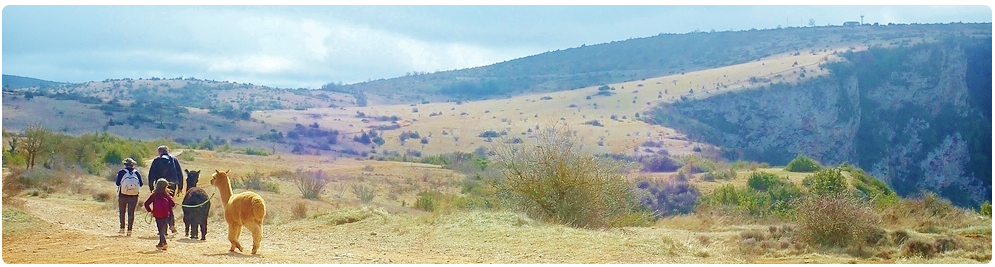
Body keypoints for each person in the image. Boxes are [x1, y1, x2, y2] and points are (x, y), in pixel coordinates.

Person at [147, 145, 183, 234]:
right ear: (168, 151)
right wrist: (180, 187)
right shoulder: (174, 160)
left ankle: (163, 229)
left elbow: (151, 174)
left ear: (159, 152)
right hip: (172, 185)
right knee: (169, 204)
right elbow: (180, 173)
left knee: (159, 205)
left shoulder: (156, 161)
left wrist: (151, 187)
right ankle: (171, 224)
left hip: (159, 186)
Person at [115, 158, 144, 236]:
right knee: (131, 212)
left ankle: (122, 228)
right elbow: (141, 184)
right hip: (134, 195)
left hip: (123, 195)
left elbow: (117, 183)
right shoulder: (137, 173)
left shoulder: (121, 172)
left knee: (122, 211)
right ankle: (129, 230)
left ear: (125, 164)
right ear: (133, 164)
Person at [144, 178, 175, 250]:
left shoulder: (154, 194)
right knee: (163, 228)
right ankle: (161, 243)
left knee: (160, 229)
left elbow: (146, 204)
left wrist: (150, 210)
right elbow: (173, 204)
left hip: (157, 214)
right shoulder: (166, 195)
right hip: (165, 214)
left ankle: (164, 243)